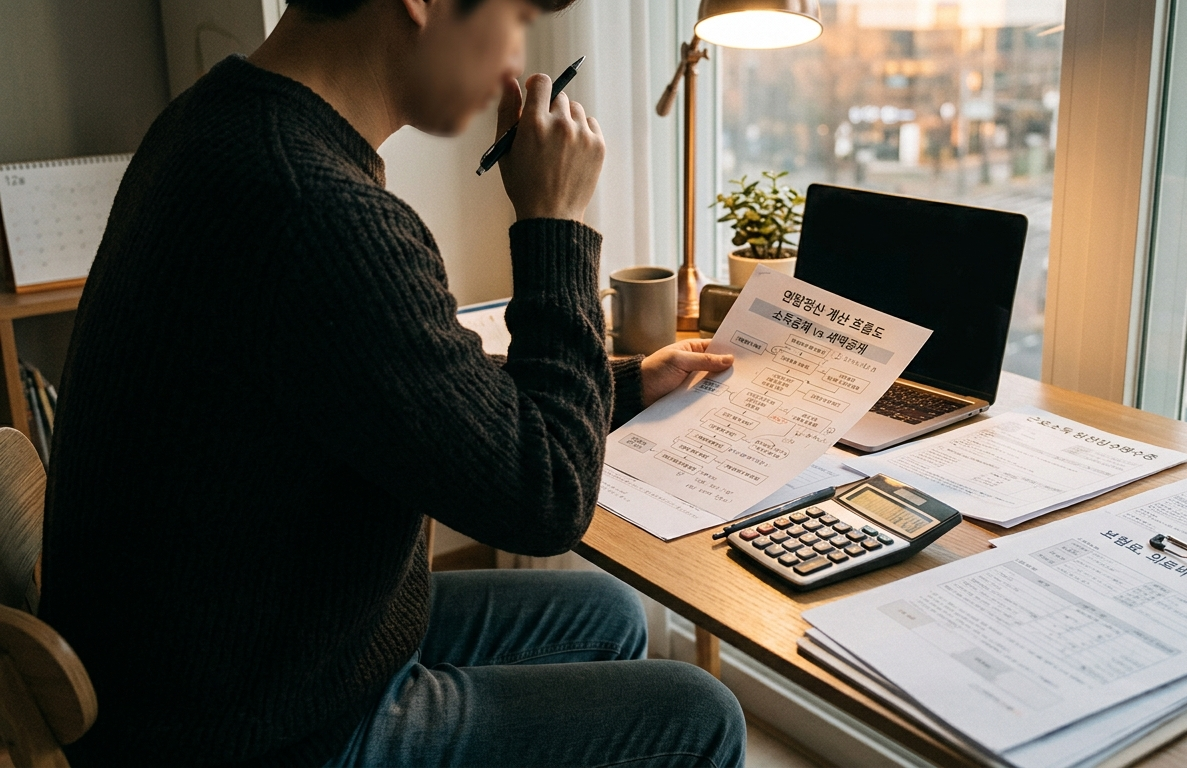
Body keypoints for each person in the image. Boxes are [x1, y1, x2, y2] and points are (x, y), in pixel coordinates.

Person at [38, 0, 747, 765]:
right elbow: (547, 500)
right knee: (697, 715)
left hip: (237, 656)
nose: (515, 59)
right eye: (508, 16)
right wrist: (555, 222)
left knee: (604, 612)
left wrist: (629, 383)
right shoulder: (319, 208)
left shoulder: (212, 120)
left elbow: (394, 372)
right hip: (259, 727)